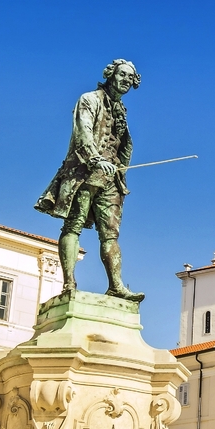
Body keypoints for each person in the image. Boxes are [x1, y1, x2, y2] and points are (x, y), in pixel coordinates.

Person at [35, 59, 143, 300]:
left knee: (111, 235)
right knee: (73, 226)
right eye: (122, 75)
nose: (126, 80)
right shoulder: (89, 99)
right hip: (84, 173)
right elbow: (82, 130)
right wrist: (94, 158)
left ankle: (116, 285)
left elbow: (123, 143)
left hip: (111, 179)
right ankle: (69, 283)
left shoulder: (121, 110)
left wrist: (121, 169)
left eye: (130, 77)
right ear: (111, 75)